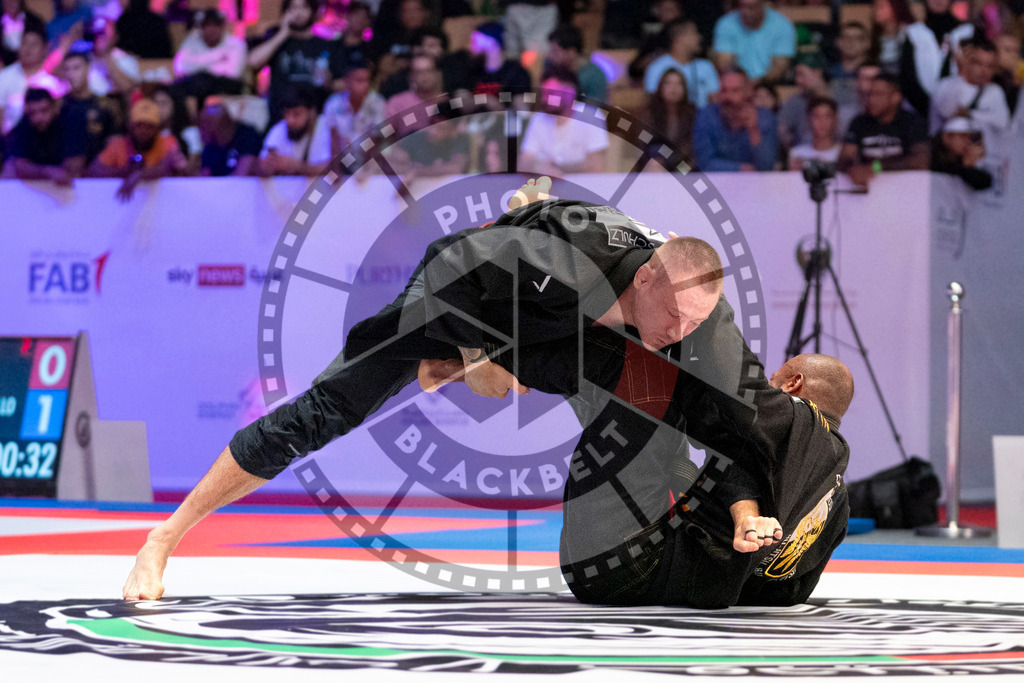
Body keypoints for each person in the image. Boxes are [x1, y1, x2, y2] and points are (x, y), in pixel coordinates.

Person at [122, 178, 748, 601]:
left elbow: (563, 219)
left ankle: (690, 538)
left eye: (693, 321)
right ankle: (164, 538)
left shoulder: (673, 284)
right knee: (323, 412)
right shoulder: (558, 268)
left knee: (654, 391)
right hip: (452, 294)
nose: (680, 331)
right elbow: (465, 264)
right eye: (675, 318)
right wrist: (473, 357)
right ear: (643, 279)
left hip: (550, 315)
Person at [248, 0, 346, 123]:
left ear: (313, 11)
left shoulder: (327, 46)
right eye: (293, 8)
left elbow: (343, 84)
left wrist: (329, 83)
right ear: (285, 12)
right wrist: (283, 33)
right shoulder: (277, 40)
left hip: (315, 123)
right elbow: (253, 62)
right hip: (280, 119)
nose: (298, 13)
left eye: (304, 7)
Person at [837, 73, 930, 187]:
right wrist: (852, 169)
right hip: (868, 195)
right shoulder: (859, 122)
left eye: (878, 94)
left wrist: (877, 167)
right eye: (870, 94)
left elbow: (922, 160)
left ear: (896, 97)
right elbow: (845, 158)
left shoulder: (913, 122)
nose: (871, 99)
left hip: (906, 192)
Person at [89, 98, 186, 200]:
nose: (143, 131)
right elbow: (94, 170)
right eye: (139, 125)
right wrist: (125, 171)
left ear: (158, 128)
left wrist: (139, 175)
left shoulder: (167, 142)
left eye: (149, 126)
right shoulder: (118, 144)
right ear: (130, 126)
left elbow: (166, 168)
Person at [519, 67, 608, 175]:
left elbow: (596, 167)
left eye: (550, 93)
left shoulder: (590, 116)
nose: (544, 99)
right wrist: (538, 168)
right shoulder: (538, 119)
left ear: (570, 93)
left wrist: (557, 168)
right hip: (546, 189)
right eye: (544, 94)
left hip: (583, 188)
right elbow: (523, 164)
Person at [693, 67, 777, 172]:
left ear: (748, 92)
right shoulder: (707, 116)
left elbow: (767, 166)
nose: (728, 97)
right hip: (716, 183)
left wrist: (753, 130)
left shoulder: (765, 118)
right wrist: (741, 168)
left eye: (735, 90)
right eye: (724, 90)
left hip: (755, 185)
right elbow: (704, 164)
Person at [930, 37, 1010, 143]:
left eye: (989, 66)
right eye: (978, 63)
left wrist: (970, 114)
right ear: (968, 62)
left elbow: (1002, 123)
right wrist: (961, 73)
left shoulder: (995, 91)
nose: (984, 70)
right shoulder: (946, 85)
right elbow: (945, 112)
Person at [873, 0, 942, 118]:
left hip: (914, 106)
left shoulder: (918, 34)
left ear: (896, 8)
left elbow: (930, 74)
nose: (875, 11)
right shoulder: (875, 38)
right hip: (883, 107)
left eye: (880, 6)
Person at [1, 87, 85, 183]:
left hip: (71, 187)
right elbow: (19, 165)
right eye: (33, 113)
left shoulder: (70, 122)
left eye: (44, 111)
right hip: (37, 181)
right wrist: (47, 172)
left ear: (55, 108)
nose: (38, 118)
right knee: (9, 168)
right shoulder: (25, 124)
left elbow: (74, 167)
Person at [0, 23, 64, 135]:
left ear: (45, 48)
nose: (28, 49)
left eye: (34, 44)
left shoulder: (53, 81)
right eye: (25, 43)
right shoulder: (3, 77)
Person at [712, 0, 796, 83]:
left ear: (762, 5)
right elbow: (725, 64)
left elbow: (779, 69)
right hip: (738, 85)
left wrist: (754, 84)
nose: (746, 12)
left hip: (770, 85)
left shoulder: (783, 25)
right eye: (742, 6)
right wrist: (744, 85)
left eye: (751, 7)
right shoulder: (725, 24)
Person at [173, 9, 247, 100]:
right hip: (196, 86)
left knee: (203, 81)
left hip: (225, 87)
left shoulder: (236, 44)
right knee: (181, 85)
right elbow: (181, 67)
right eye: (207, 25)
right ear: (200, 27)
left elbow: (233, 73)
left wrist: (198, 64)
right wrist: (217, 57)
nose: (212, 29)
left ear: (222, 26)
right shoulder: (191, 42)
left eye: (216, 24)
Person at [259, 84, 331, 176]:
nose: (290, 120)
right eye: (287, 113)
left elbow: (332, 169)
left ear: (312, 112)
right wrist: (267, 167)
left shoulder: (326, 127)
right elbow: (261, 166)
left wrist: (298, 167)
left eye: (296, 114)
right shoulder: (280, 128)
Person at [643, 19, 718, 108]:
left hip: (703, 119)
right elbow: (652, 105)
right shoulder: (656, 68)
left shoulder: (706, 66)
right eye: (694, 33)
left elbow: (715, 102)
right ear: (681, 38)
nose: (699, 37)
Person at [59, 50, 117, 164]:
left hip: (99, 174)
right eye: (67, 69)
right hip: (64, 174)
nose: (71, 74)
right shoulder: (58, 106)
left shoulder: (105, 106)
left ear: (88, 68)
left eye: (76, 68)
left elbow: (115, 143)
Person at [322, 57, 386, 158]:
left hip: (369, 162)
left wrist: (368, 172)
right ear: (347, 82)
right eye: (359, 81)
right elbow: (333, 142)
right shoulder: (333, 104)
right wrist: (337, 172)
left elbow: (375, 140)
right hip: (342, 160)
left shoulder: (377, 102)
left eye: (367, 80)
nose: (365, 85)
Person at [638, 67, 696, 164]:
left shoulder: (693, 114)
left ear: (685, 89)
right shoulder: (648, 114)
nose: (674, 88)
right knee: (655, 162)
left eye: (679, 84)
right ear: (661, 87)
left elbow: (691, 146)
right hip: (656, 161)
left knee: (685, 170)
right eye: (668, 83)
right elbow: (647, 146)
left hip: (682, 164)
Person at [778, 51, 830, 153]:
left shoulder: (839, 96)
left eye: (801, 74)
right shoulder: (794, 102)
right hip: (803, 158)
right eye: (796, 75)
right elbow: (782, 131)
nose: (798, 80)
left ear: (817, 73)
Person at [197, 98, 260, 176]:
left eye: (208, 124)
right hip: (220, 185)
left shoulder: (247, 135)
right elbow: (205, 175)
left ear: (224, 123)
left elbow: (242, 173)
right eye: (202, 124)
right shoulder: (211, 143)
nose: (203, 129)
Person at [546, 23, 606, 102]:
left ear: (571, 52)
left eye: (555, 52)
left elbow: (594, 108)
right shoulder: (550, 67)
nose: (550, 56)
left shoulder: (595, 76)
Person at [930, 115, 992, 191]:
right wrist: (963, 167)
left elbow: (985, 181)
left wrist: (970, 166)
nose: (968, 141)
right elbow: (943, 167)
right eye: (963, 136)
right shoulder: (930, 153)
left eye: (971, 137)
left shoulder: (963, 158)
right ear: (947, 137)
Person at [385, 53, 445, 128]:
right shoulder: (397, 103)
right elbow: (386, 135)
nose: (425, 75)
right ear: (411, 76)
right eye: (419, 72)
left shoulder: (446, 102)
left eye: (429, 71)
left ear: (436, 73)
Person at [788, 96, 841, 169]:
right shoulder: (797, 153)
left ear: (835, 120)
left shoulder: (843, 154)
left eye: (827, 117)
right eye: (816, 116)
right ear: (808, 120)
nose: (822, 122)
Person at [0, 0, 44, 67]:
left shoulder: (33, 21)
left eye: (13, 1)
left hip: (32, 65)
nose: (11, 4)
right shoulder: (2, 22)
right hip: (7, 66)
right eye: (7, 2)